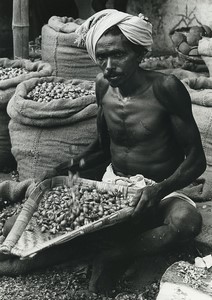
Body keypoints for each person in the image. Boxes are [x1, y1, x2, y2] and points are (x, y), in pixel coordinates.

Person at [39, 9, 206, 293]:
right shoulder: (103, 86)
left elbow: (197, 160)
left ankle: (114, 255)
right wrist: (62, 171)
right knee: (49, 220)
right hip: (113, 187)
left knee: (186, 223)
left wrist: (159, 190)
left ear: (140, 53)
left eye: (118, 55)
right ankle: (112, 245)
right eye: (101, 57)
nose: (108, 66)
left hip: (160, 190)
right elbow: (103, 149)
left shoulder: (166, 88)